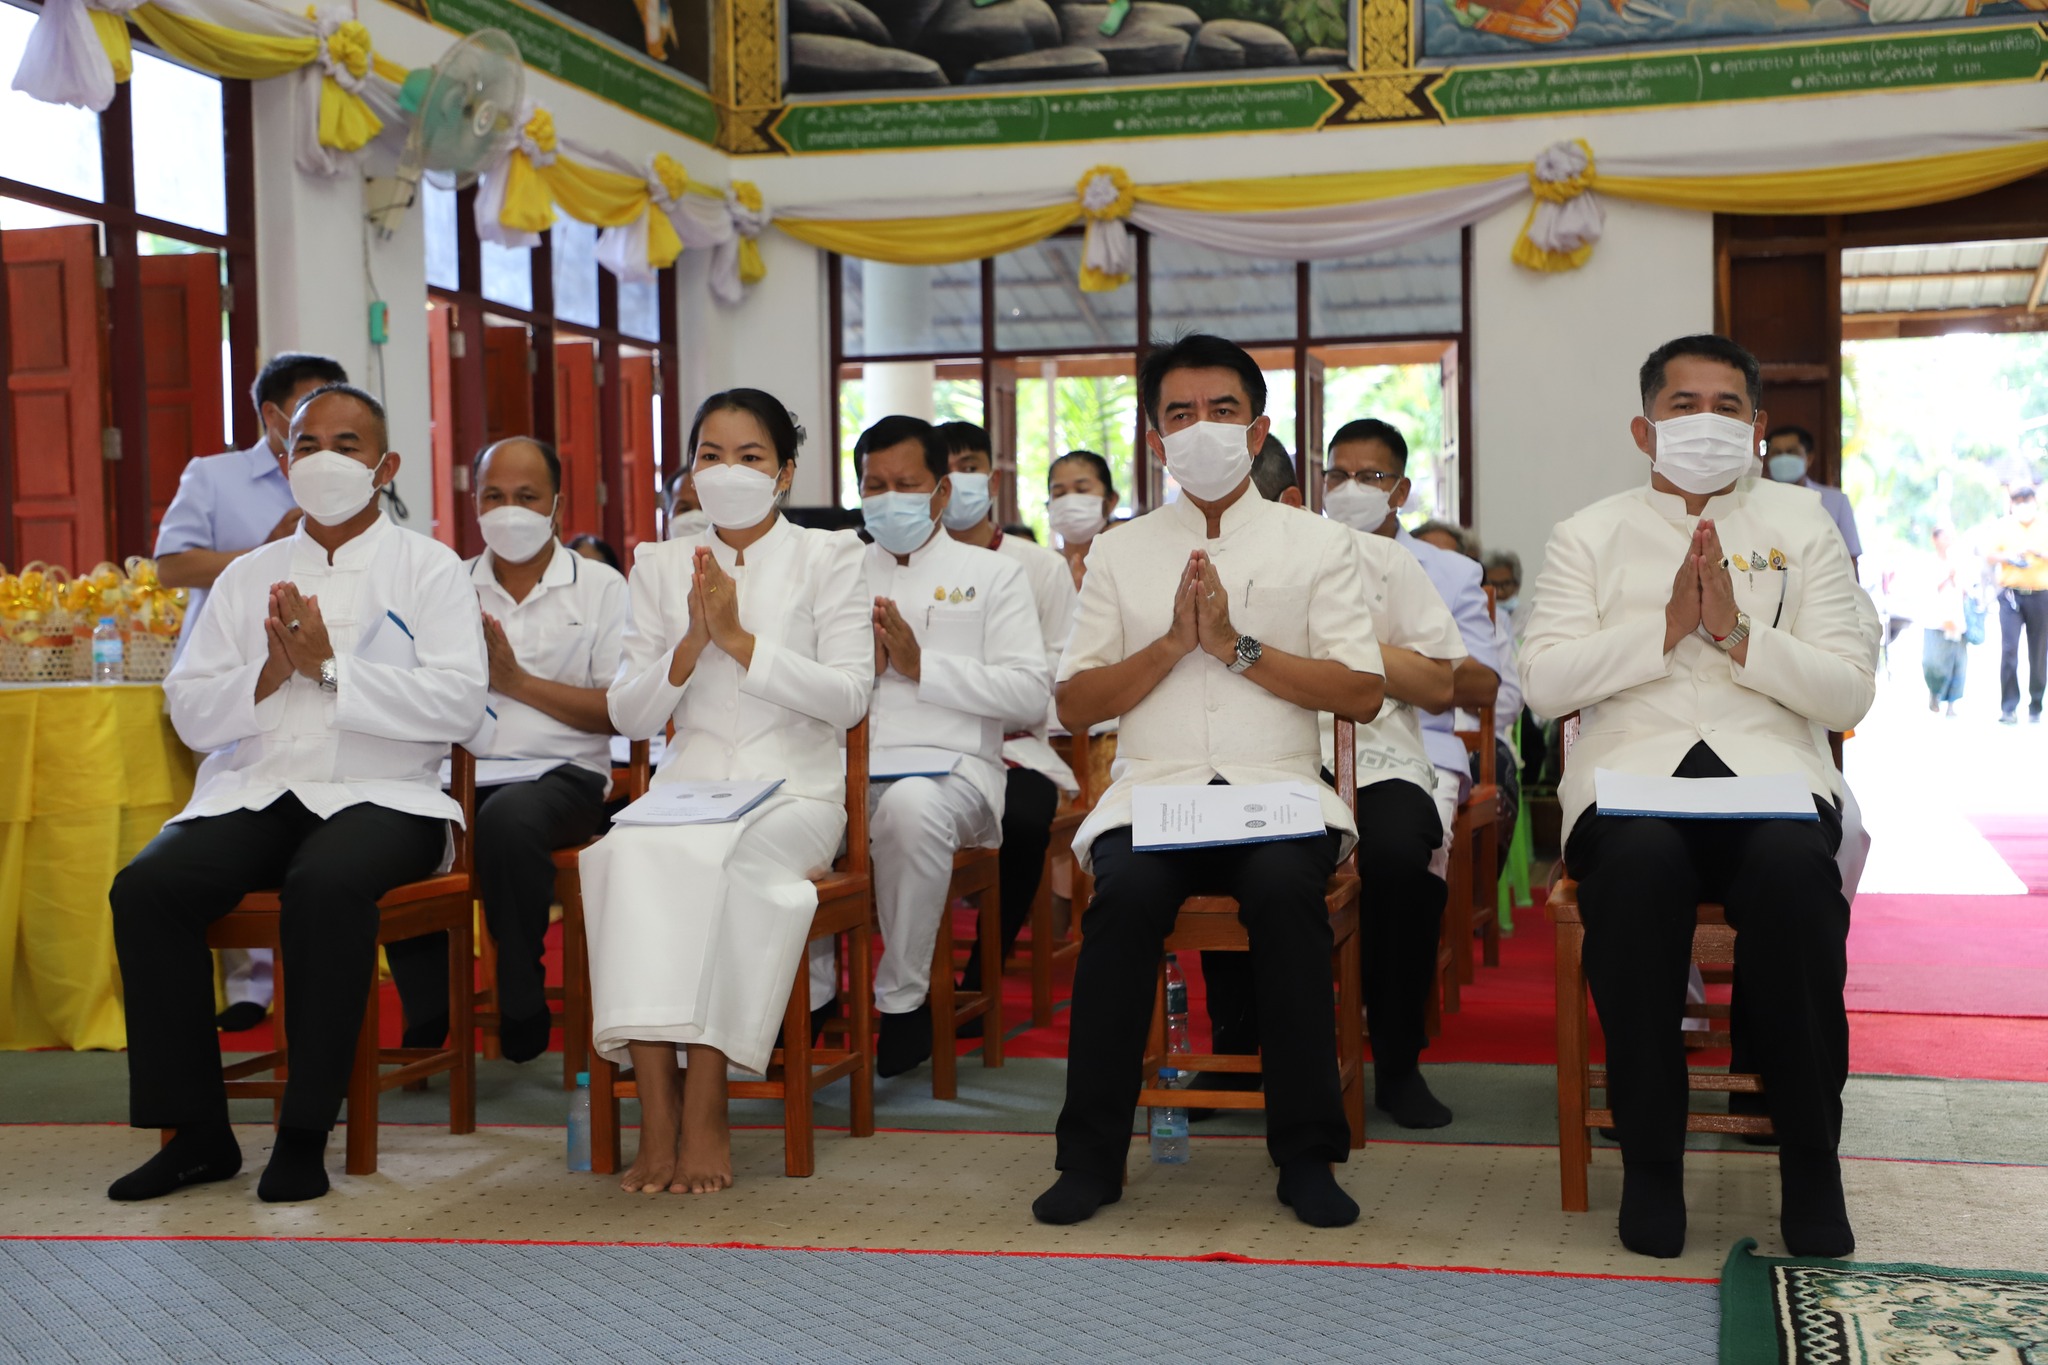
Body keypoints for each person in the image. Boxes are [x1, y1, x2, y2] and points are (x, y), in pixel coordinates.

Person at [1520, 334, 1877, 1260]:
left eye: (1728, 406)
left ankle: (1810, 1161)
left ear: (1757, 428)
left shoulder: (1806, 527)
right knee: (1636, 875)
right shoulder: (1588, 533)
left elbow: (1848, 692)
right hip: (1633, 780)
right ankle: (1651, 1165)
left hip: (1774, 777)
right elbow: (1546, 683)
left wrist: (1737, 631)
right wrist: (1669, 625)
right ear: (1645, 428)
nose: (1707, 422)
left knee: (1796, 881)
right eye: (1685, 405)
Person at [1033, 334, 1385, 1230]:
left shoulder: (1319, 543)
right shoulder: (1120, 552)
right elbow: (1075, 704)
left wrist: (1236, 648)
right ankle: (1091, 1156)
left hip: (1277, 790)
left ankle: (1307, 1153)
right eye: (1179, 414)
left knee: (1280, 893)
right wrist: (1172, 645)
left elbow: (1361, 691)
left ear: (1259, 426)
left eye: (1221, 411)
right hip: (1156, 791)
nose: (1201, 428)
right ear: (1156, 439)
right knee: (1124, 903)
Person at [106, 383, 488, 1204]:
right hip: (260, 785)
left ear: (384, 466)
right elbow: (192, 711)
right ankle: (199, 1135)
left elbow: (460, 707)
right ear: (283, 462)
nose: (324, 460)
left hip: (390, 794)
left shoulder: (430, 569)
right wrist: (271, 672)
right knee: (147, 888)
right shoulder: (249, 576)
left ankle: (305, 1132)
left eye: (347, 445)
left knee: (328, 883)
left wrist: (330, 669)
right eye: (307, 444)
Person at [583, 389, 871, 1196]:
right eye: (712, 454)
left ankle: (706, 1095)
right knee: (624, 854)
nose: (729, 470)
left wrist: (741, 642)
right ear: (690, 469)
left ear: (784, 472)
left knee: (724, 866)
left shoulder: (831, 554)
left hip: (795, 790)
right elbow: (628, 711)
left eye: (751, 457)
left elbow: (850, 697)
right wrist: (688, 646)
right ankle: (656, 1107)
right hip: (688, 788)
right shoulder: (659, 561)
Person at [1199, 438, 1464, 1129]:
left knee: (1400, 856)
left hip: (1375, 758)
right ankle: (1235, 1041)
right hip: (1256, 756)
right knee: (1209, 833)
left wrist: (1339, 645)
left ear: (1290, 504)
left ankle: (1398, 1058)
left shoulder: (1379, 561)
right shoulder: (1201, 571)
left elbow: (1440, 684)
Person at [812, 415, 1048, 1079]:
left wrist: (923, 665)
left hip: (956, 776)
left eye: (906, 484)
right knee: (790, 816)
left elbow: (1030, 696)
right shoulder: (833, 569)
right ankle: (812, 994)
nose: (889, 498)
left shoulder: (993, 574)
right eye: (874, 485)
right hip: (842, 767)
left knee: (909, 808)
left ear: (942, 493)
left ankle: (903, 1000)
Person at [154, 352, 350, 1034]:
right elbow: (170, 563)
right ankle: (248, 983)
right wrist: (266, 555)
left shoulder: (347, 487)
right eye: (310, 407)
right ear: (273, 416)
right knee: (228, 804)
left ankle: (308, 986)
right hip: (237, 668)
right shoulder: (216, 476)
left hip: (328, 687)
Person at [450, 438, 625, 1061]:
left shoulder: (601, 588)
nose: (509, 511)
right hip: (460, 772)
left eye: (526, 497)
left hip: (565, 775)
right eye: (494, 497)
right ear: (474, 502)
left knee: (508, 819)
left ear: (557, 502)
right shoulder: (446, 586)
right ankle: (429, 1014)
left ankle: (518, 987)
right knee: (389, 820)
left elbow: (618, 710)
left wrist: (517, 682)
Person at [933, 421, 1081, 1012]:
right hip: (924, 744)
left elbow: (1052, 681)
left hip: (1016, 745)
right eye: (943, 470)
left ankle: (980, 978)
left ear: (990, 477)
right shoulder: (908, 563)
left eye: (969, 465)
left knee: (1022, 820)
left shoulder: (1036, 567)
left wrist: (958, 685)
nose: (957, 481)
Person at [1318, 420, 1507, 878]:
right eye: (1338, 476)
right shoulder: (1306, 556)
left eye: (1369, 478)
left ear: (1400, 492)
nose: (1350, 489)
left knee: (1401, 856)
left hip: (1423, 749)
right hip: (1317, 744)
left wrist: (1392, 659)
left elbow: (1485, 685)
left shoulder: (1450, 572)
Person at [1984, 485, 2048, 725]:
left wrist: (2038, 553)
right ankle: (2008, 707)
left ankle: (2036, 704)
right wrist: (2009, 555)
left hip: (2041, 595)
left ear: (2034, 501)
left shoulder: (2044, 523)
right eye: (2018, 502)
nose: (2023, 506)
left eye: (2027, 501)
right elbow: (1989, 555)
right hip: (2011, 594)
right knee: (2009, 650)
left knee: (2038, 651)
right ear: (2012, 504)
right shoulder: (2003, 526)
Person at [1765, 426, 1863, 575]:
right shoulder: (1756, 500)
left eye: (1791, 452)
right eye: (1777, 453)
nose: (1783, 458)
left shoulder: (1837, 501)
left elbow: (1851, 560)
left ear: (1809, 458)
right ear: (1767, 459)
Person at [1047, 450, 1120, 589]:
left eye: (1082, 489)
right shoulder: (1044, 568)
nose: (1069, 501)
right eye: (1059, 493)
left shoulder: (1129, 562)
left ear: (1111, 500)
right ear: (1049, 506)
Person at [1922, 526, 1970, 717]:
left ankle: (1952, 703)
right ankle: (1935, 693)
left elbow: (1966, 589)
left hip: (1957, 619)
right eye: (1944, 537)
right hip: (1935, 621)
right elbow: (1927, 589)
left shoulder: (1959, 561)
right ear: (1935, 539)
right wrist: (1947, 577)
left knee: (1957, 663)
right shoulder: (1929, 562)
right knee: (1932, 662)